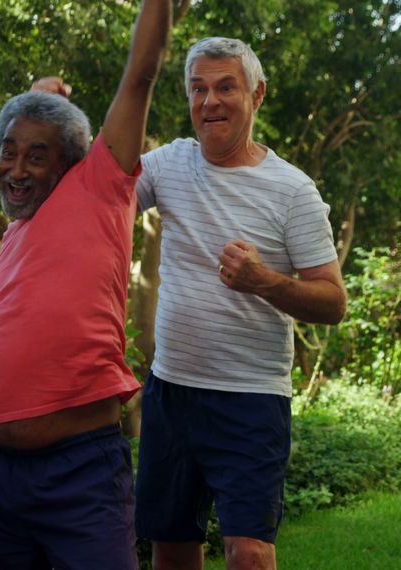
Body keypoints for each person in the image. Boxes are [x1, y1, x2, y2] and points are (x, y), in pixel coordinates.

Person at [0, 1, 171, 568]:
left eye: (35, 156)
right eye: (7, 152)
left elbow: (142, 69)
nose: (15, 168)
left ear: (71, 162)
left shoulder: (100, 189)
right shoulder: (18, 231)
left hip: (79, 474)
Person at [132, 37, 346, 570]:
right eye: (198, 89)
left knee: (249, 553)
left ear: (257, 94)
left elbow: (333, 301)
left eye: (226, 86)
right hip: (172, 391)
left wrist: (264, 281)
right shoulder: (167, 165)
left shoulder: (292, 190)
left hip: (249, 400)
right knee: (172, 547)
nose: (210, 102)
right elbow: (98, 194)